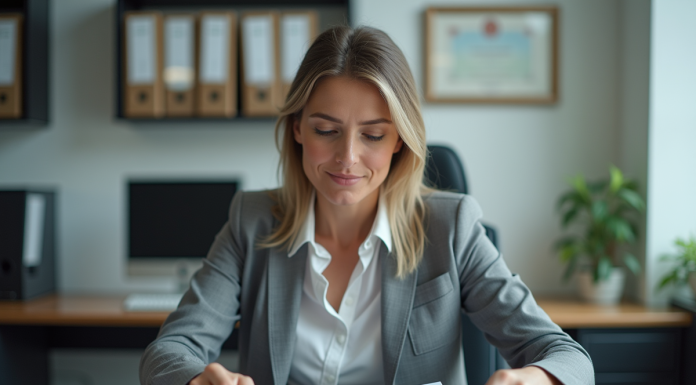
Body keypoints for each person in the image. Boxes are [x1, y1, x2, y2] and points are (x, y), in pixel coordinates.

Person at [140, 26, 593, 385]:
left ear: (400, 139)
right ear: (297, 128)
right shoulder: (251, 222)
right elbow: (168, 352)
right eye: (325, 130)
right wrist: (196, 379)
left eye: (373, 135)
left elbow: (568, 357)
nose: (347, 158)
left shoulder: (450, 227)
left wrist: (537, 378)